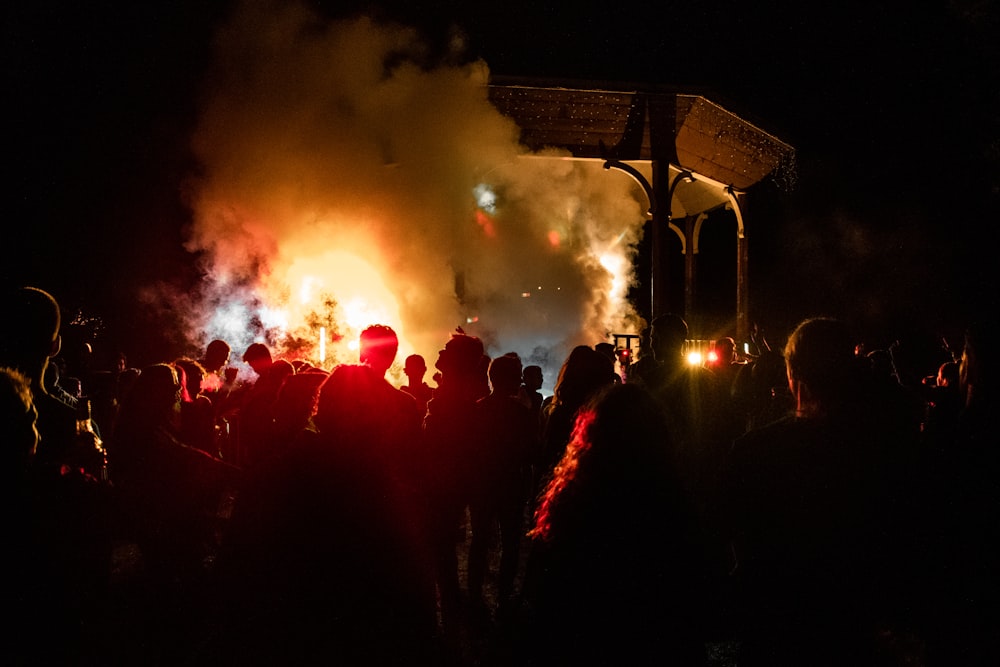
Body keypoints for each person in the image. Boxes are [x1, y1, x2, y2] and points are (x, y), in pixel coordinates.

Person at [723, 317, 918, 666]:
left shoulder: (754, 450)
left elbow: (737, 541)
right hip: (854, 627)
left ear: (792, 373)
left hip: (776, 625)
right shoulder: (883, 449)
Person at [517, 382, 709, 665]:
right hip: (656, 644)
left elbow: (545, 584)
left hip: (584, 641)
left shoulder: (573, 497)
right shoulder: (669, 498)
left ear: (592, 434)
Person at [418, 329, 489, 633]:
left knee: (444, 540)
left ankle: (454, 598)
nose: (440, 353)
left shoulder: (454, 398)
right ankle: (462, 596)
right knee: (460, 539)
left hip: (447, 475)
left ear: (457, 361)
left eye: (446, 349)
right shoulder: (462, 392)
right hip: (453, 474)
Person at [467, 354, 538, 617]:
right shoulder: (520, 413)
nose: (520, 379)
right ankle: (504, 597)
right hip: (511, 483)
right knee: (511, 544)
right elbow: (532, 451)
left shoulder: (478, 409)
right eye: (517, 374)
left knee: (480, 540)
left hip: (483, 483)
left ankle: (474, 595)